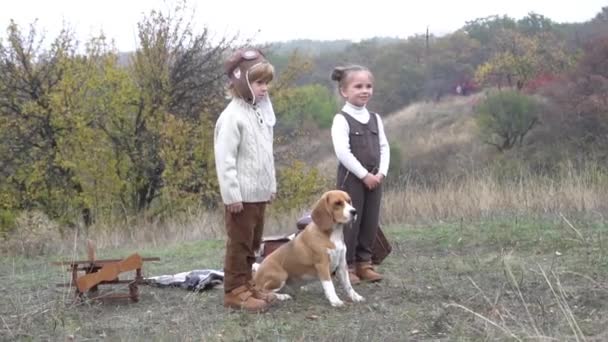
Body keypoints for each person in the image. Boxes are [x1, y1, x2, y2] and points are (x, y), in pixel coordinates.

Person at [214, 48, 278, 312]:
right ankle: (233, 291)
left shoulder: (259, 113)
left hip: (259, 193)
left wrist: (270, 186)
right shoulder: (232, 117)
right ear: (241, 82)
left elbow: (266, 155)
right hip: (241, 198)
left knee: (253, 243)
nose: (264, 89)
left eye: (266, 83)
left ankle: (248, 284)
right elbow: (225, 160)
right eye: (259, 83)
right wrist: (232, 196)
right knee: (239, 244)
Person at [330, 64, 390, 284]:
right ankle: (347, 266)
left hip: (375, 181)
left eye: (368, 86)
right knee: (349, 224)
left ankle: (365, 263)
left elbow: (384, 146)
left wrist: (381, 173)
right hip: (352, 182)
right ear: (344, 91)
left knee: (370, 221)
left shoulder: (375, 118)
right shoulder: (341, 119)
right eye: (358, 86)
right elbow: (342, 152)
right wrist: (364, 175)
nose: (365, 90)